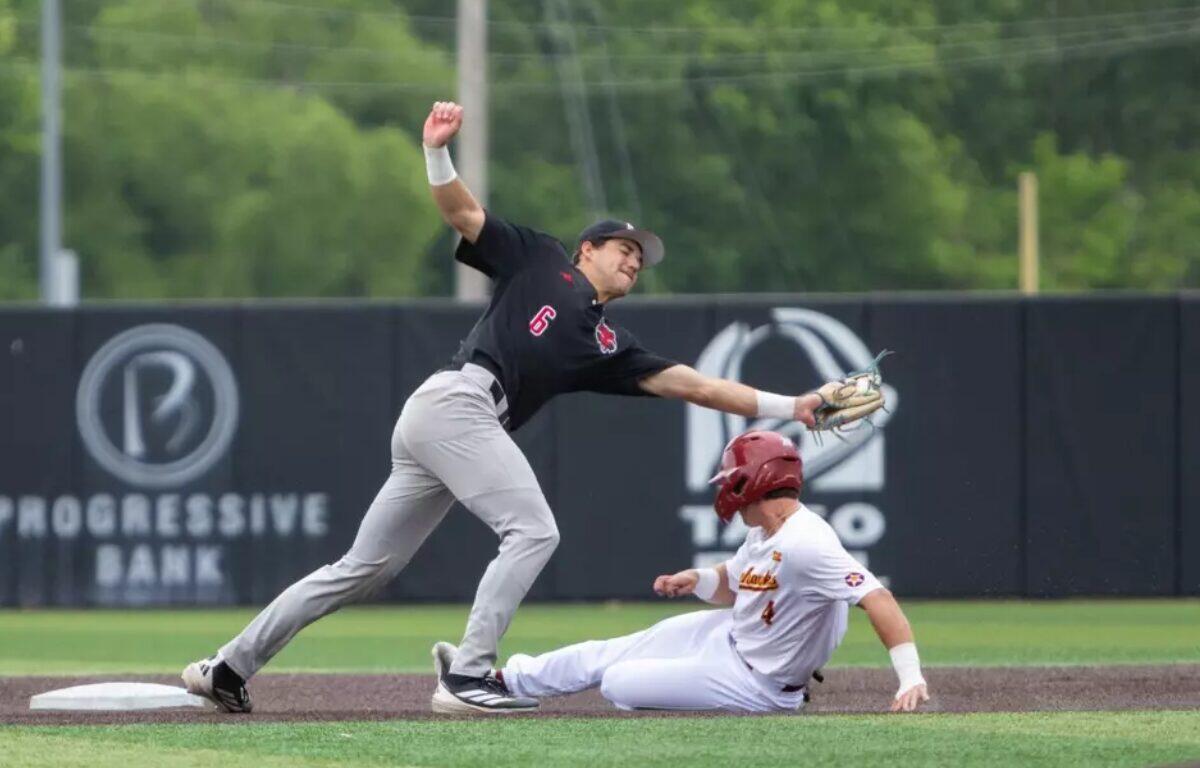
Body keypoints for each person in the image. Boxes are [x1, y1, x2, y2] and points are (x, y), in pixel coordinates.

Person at [183, 101, 832, 716]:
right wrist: (436, 152)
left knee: (362, 570)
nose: (635, 259)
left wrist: (795, 405)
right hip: (458, 402)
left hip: (451, 422)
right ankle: (468, 674)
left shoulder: (607, 344)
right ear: (587, 249)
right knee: (534, 531)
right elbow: (462, 213)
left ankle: (229, 668)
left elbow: (698, 387)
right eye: (624, 247)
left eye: (641, 257)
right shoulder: (542, 260)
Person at [447, 430, 930, 714]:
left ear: (756, 480)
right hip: (730, 637)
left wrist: (909, 676)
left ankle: (512, 681)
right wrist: (696, 580)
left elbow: (878, 598)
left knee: (618, 681)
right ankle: (504, 680)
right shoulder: (766, 531)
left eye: (734, 478)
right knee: (611, 650)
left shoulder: (808, 542)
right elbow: (735, 584)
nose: (727, 488)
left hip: (759, 685)